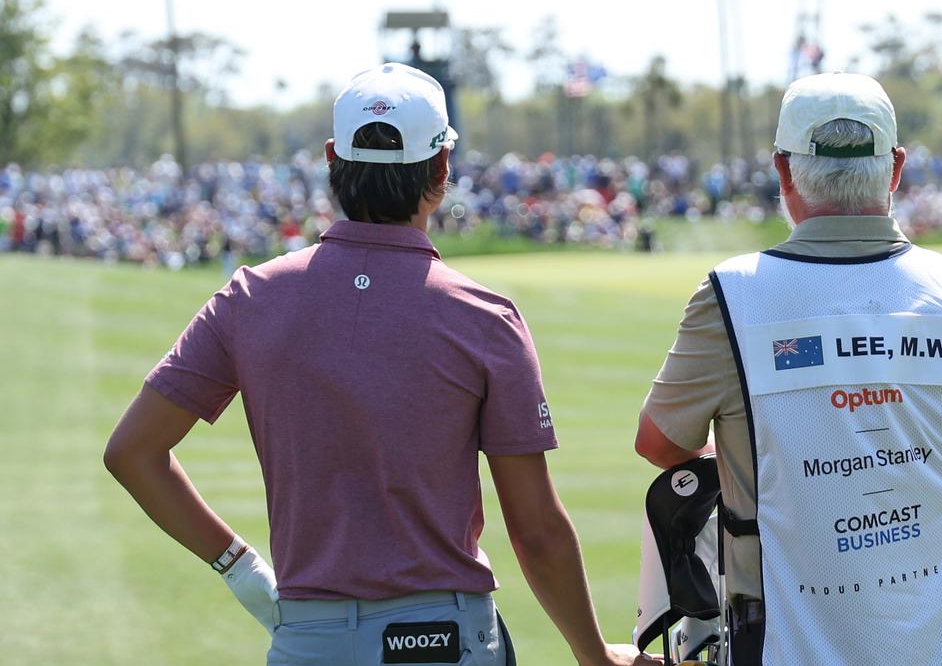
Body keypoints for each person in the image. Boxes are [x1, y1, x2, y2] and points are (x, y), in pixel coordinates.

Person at [105, 62, 650, 666]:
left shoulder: (251, 298)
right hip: (446, 641)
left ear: (332, 160)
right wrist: (594, 655)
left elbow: (133, 452)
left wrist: (243, 570)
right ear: (442, 169)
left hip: (307, 642)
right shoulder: (484, 318)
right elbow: (537, 532)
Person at [634, 72, 942, 665]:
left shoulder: (731, 295)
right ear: (896, 167)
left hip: (780, 638)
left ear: (783, 169)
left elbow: (660, 443)